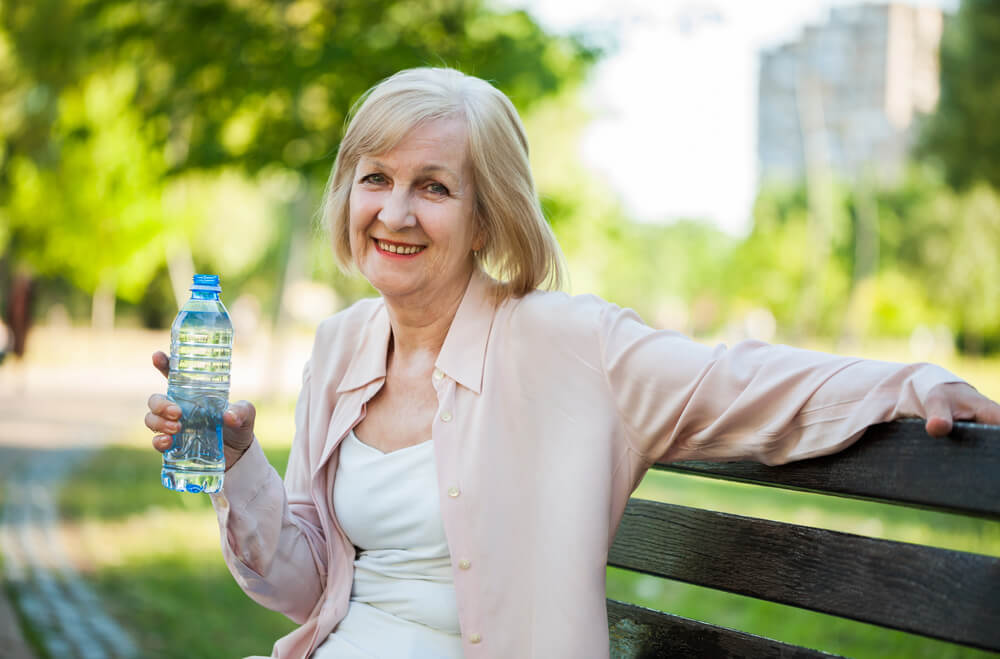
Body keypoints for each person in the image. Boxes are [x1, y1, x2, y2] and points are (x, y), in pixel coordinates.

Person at [144, 67, 1000, 659]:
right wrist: (235, 464)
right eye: (376, 178)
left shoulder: (567, 345)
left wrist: (911, 381)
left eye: (434, 187)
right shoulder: (341, 345)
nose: (394, 213)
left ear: (487, 217)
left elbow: (738, 379)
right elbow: (307, 586)